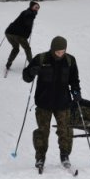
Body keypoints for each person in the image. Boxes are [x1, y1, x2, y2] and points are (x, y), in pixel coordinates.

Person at [23, 36, 81, 170]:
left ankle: (65, 155)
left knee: (65, 130)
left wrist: (76, 92)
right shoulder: (41, 59)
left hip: (63, 102)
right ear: (52, 49)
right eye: (58, 51)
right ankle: (40, 157)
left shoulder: (70, 60)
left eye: (63, 51)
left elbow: (74, 80)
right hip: (44, 103)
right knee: (43, 131)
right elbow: (26, 77)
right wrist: (31, 72)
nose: (60, 54)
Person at [5, 1, 39, 69]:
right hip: (18, 35)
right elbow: (27, 21)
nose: (37, 9)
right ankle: (32, 66)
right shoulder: (29, 13)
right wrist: (32, 16)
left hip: (9, 33)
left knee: (16, 48)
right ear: (31, 6)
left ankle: (8, 63)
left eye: (38, 8)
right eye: (35, 7)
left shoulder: (25, 12)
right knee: (27, 49)